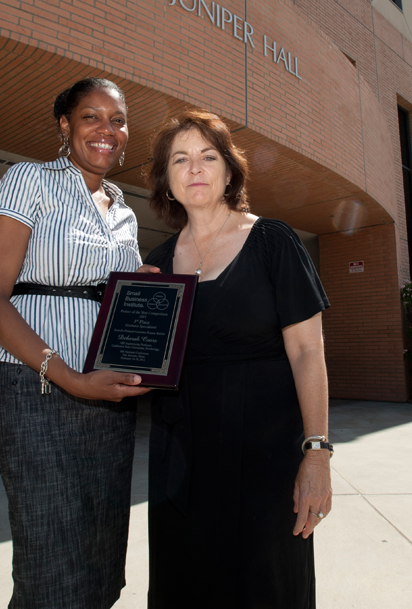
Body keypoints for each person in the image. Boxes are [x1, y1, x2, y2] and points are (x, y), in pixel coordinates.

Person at [0, 77, 151, 609]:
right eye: (91, 117)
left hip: (108, 393)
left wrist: (144, 290)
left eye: (117, 121)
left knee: (100, 556)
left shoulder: (124, 211)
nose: (107, 130)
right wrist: (66, 374)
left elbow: (113, 299)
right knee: (50, 561)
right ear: (65, 125)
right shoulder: (31, 180)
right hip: (36, 386)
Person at [143, 110, 333, 608]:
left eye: (208, 156)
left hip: (266, 463)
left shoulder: (274, 242)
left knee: (265, 589)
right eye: (179, 159)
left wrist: (317, 454)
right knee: (184, 588)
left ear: (230, 170)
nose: (194, 168)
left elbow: (308, 351)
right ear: (167, 178)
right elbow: (143, 368)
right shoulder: (156, 264)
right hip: (178, 466)